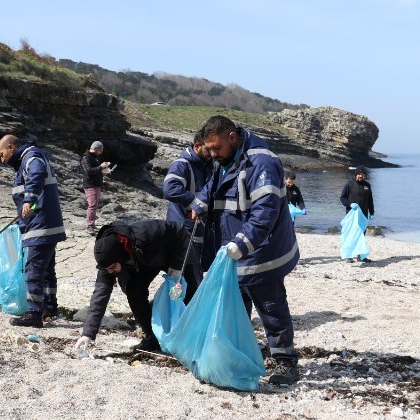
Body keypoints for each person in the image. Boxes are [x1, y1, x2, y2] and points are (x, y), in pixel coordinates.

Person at [189, 115, 301, 385]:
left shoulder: (262, 162)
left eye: (216, 148)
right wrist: (201, 203)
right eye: (209, 150)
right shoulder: (225, 159)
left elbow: (265, 213)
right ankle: (232, 357)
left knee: (271, 306)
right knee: (234, 307)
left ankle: (286, 363)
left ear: (232, 137)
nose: (213, 155)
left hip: (264, 251)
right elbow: (214, 184)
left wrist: (241, 244)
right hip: (234, 249)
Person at [74, 220, 202, 352]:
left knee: (195, 291)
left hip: (172, 251)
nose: (111, 271)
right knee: (134, 292)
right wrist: (87, 334)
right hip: (141, 263)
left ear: (119, 254)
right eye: (108, 269)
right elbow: (100, 295)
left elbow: (178, 229)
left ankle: (195, 336)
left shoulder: (146, 234)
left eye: (112, 267)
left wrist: (176, 268)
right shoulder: (107, 261)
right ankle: (152, 337)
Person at [0, 134, 67, 327]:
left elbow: (37, 174)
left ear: (11, 147)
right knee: (47, 269)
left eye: (2, 155)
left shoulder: (31, 157)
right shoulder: (27, 160)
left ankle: (34, 314)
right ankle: (50, 307)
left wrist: (29, 199)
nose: (2, 160)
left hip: (41, 225)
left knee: (33, 269)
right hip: (45, 225)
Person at [163, 131, 214, 270]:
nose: (213, 153)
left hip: (199, 229)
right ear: (197, 146)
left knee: (197, 271)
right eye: (208, 150)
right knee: (181, 271)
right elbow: (169, 189)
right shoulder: (181, 165)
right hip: (183, 228)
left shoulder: (208, 165)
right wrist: (196, 204)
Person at [340, 167, 375, 262]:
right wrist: (350, 204)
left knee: (362, 235)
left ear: (364, 176)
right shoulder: (349, 184)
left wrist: (372, 212)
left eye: (362, 174)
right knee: (351, 235)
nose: (360, 176)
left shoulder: (367, 185)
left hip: (363, 214)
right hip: (352, 215)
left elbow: (370, 200)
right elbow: (342, 198)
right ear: (355, 175)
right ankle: (349, 256)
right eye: (359, 174)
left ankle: (361, 256)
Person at [81, 140, 110, 235]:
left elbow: (95, 171)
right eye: (100, 150)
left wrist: (103, 172)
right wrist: (101, 167)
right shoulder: (86, 157)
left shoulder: (94, 158)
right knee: (92, 205)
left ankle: (92, 224)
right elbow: (88, 171)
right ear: (96, 149)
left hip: (96, 184)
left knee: (95, 205)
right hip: (90, 185)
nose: (101, 153)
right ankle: (89, 226)